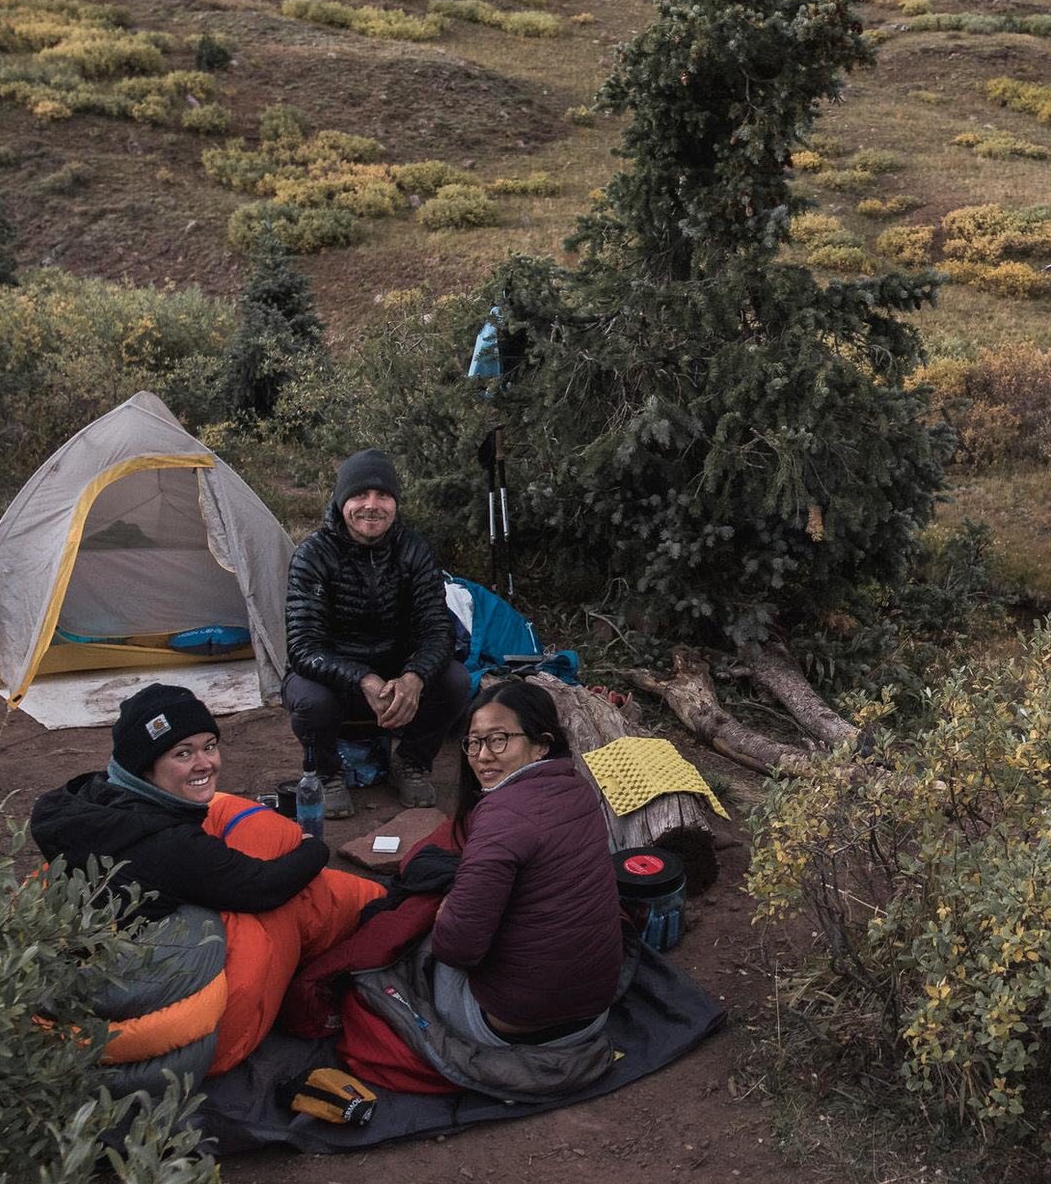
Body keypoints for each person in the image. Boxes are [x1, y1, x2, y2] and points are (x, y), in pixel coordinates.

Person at [31, 683, 382, 1084]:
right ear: (144, 766)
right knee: (217, 925)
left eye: (209, 746)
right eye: (183, 753)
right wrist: (312, 848)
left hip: (81, 958)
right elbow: (262, 886)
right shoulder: (170, 845)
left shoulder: (86, 797)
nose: (205, 763)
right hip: (127, 987)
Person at [426, 680, 625, 1045]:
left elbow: (457, 947)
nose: (483, 755)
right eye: (474, 741)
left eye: (499, 739)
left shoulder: (502, 815)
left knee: (425, 946)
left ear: (541, 745)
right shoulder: (579, 786)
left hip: (513, 1025)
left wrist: (448, 911)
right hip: (594, 1012)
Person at [284, 448, 473, 814]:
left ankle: (412, 762)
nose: (371, 505)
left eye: (383, 495)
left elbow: (438, 630)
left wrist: (414, 677)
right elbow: (303, 646)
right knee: (311, 699)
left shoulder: (414, 550)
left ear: (395, 503)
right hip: (333, 679)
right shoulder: (313, 555)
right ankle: (326, 773)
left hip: (395, 678)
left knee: (456, 680)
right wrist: (363, 679)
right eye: (359, 495)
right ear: (341, 501)